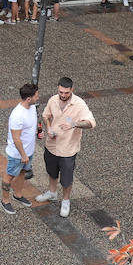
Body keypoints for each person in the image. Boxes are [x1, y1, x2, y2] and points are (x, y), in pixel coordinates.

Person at [35, 77, 95, 218]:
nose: (63, 95)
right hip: (51, 146)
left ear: (72, 90)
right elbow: (46, 116)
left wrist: (74, 124)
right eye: (61, 92)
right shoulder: (53, 100)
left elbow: (91, 123)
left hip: (68, 149)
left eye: (66, 93)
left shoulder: (79, 104)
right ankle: (52, 192)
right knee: (51, 171)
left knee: (67, 178)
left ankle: (66, 200)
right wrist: (49, 128)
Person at [0, 83, 40, 215]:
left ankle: (18, 194)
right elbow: (16, 138)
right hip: (17, 154)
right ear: (29, 99)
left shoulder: (32, 107)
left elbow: (34, 123)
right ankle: (5, 200)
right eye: (36, 95)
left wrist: (39, 131)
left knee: (23, 172)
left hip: (28, 151)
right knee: (9, 175)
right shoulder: (17, 115)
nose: (38, 97)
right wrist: (23, 155)